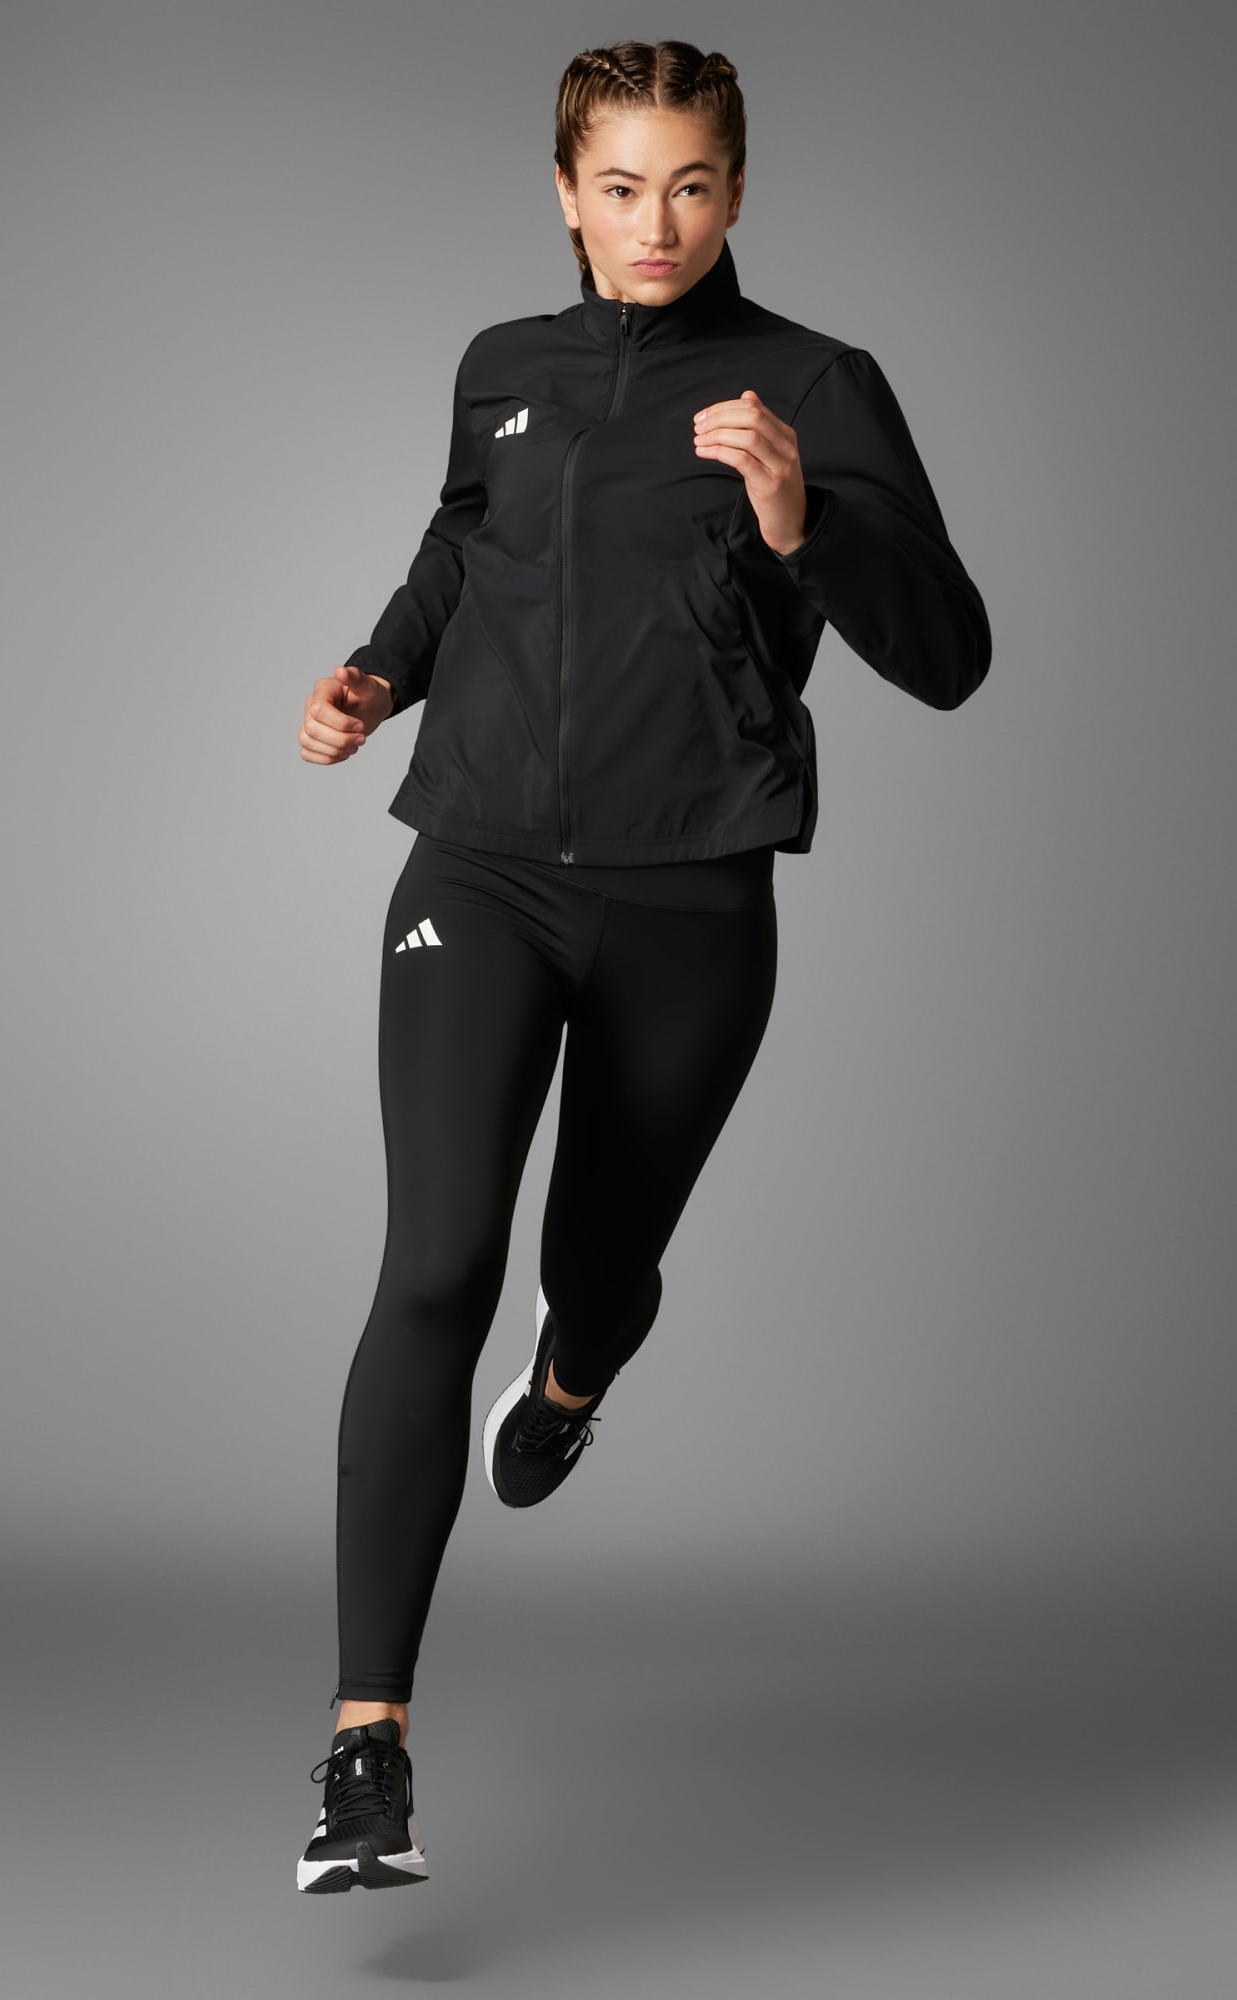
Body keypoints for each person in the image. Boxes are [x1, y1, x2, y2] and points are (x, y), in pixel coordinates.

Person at [292, 40, 991, 1894]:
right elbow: (464, 542)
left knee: (597, 1265)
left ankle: (576, 1374)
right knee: (435, 1261)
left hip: (690, 898)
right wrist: (381, 672)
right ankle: (366, 1751)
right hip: (481, 872)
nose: (654, 223)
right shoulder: (500, 369)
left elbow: (951, 653)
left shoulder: (813, 385)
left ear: (737, 191)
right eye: (619, 187)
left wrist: (803, 522)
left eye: (689, 185)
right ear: (565, 192)